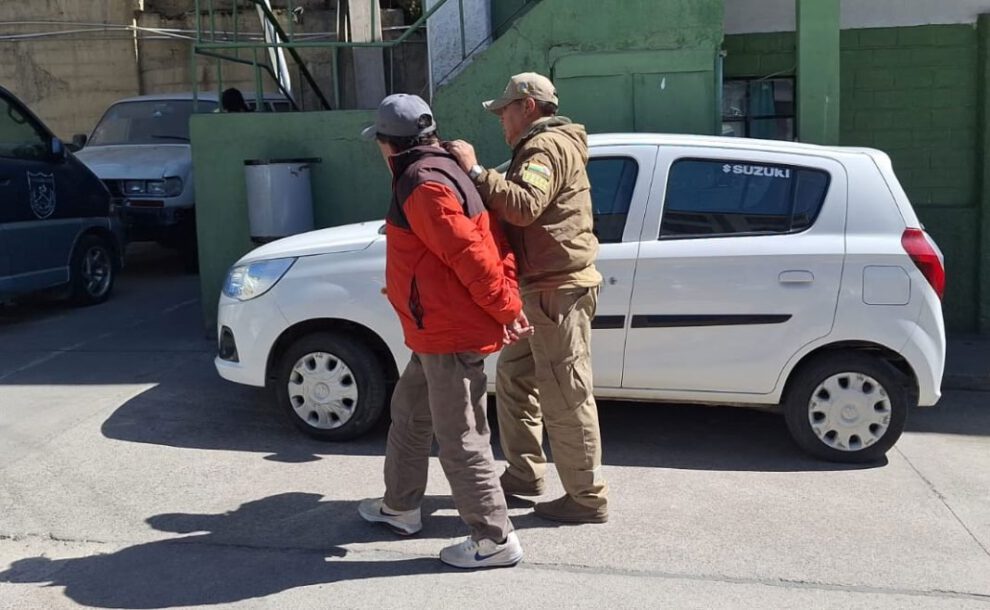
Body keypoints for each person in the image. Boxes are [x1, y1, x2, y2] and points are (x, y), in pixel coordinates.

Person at [357, 93, 532, 569]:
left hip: (446, 329)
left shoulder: (422, 182)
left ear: (387, 145)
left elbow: (472, 254)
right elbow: (493, 243)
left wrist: (507, 307)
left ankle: (494, 539)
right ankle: (401, 507)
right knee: (411, 413)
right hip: (433, 325)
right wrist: (504, 303)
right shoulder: (446, 168)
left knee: (461, 435)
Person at [445, 72, 608, 524]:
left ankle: (586, 498)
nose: (501, 119)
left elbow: (523, 206)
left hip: (556, 291)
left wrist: (476, 172)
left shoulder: (544, 148)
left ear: (527, 107)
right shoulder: (544, 146)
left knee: (566, 394)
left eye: (505, 110)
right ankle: (524, 474)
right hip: (540, 289)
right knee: (516, 378)